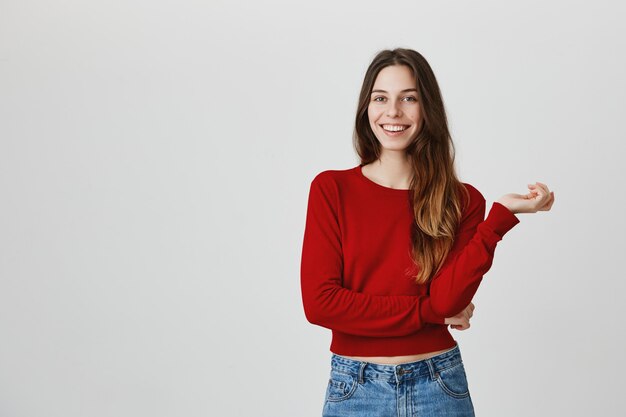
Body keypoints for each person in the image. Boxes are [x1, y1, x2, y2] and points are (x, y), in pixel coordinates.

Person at [300, 48, 555, 417]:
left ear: (426, 109)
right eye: (380, 98)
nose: (393, 112)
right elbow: (320, 303)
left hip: (438, 384)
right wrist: (427, 311)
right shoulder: (331, 189)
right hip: (356, 387)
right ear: (365, 108)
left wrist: (499, 219)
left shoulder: (462, 200)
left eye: (409, 98)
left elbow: (448, 302)